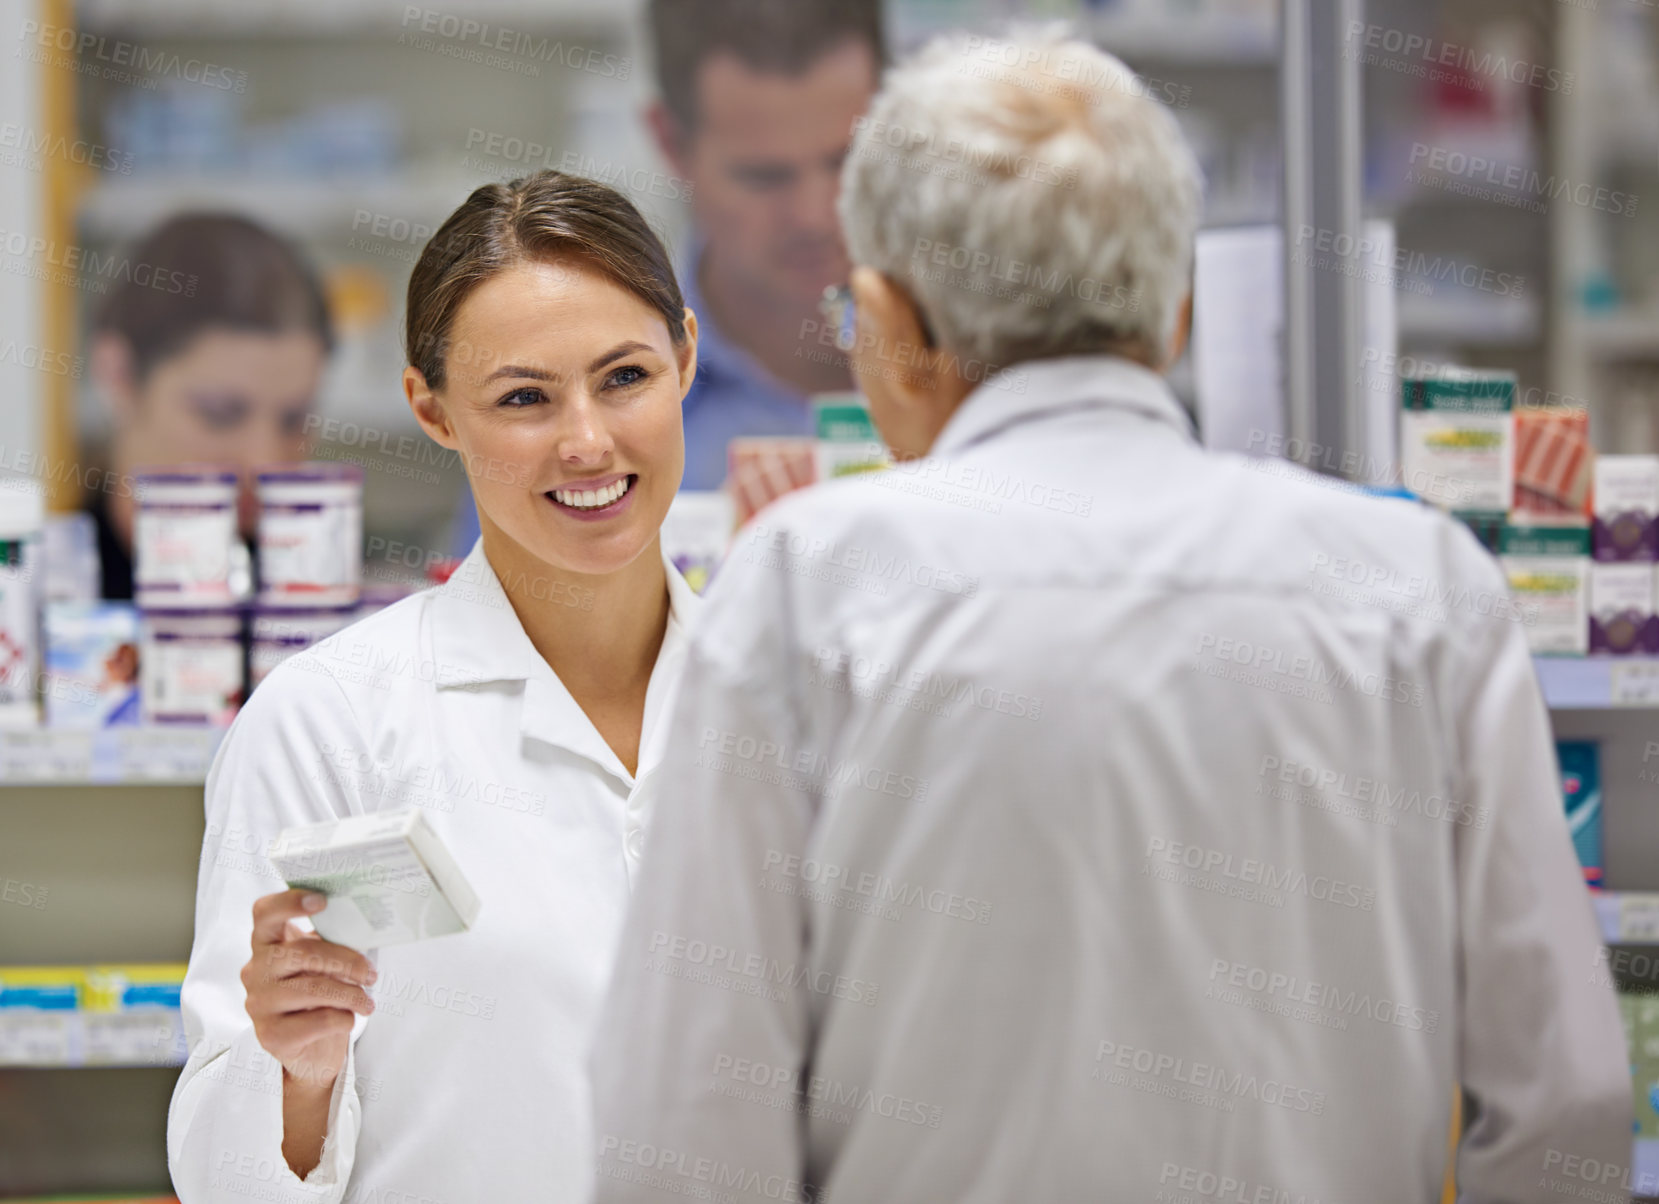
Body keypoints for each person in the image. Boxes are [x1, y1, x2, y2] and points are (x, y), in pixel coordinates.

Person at [589, 29, 1632, 1204]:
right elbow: (1569, 1107)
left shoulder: (808, 587)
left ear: (891, 315)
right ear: (1177, 311)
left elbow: (684, 1131)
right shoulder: (1416, 587)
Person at [168, 171, 703, 1203]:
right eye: (523, 397)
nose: (587, 439)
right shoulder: (330, 722)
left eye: (626, 376)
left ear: (685, 355)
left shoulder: (794, 705)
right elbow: (225, 1183)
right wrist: (301, 1072)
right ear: (432, 408)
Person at [88, 213, 334, 599]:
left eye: (293, 420)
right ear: (118, 375)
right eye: (220, 413)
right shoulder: (37, 596)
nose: (264, 462)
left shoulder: (325, 601)